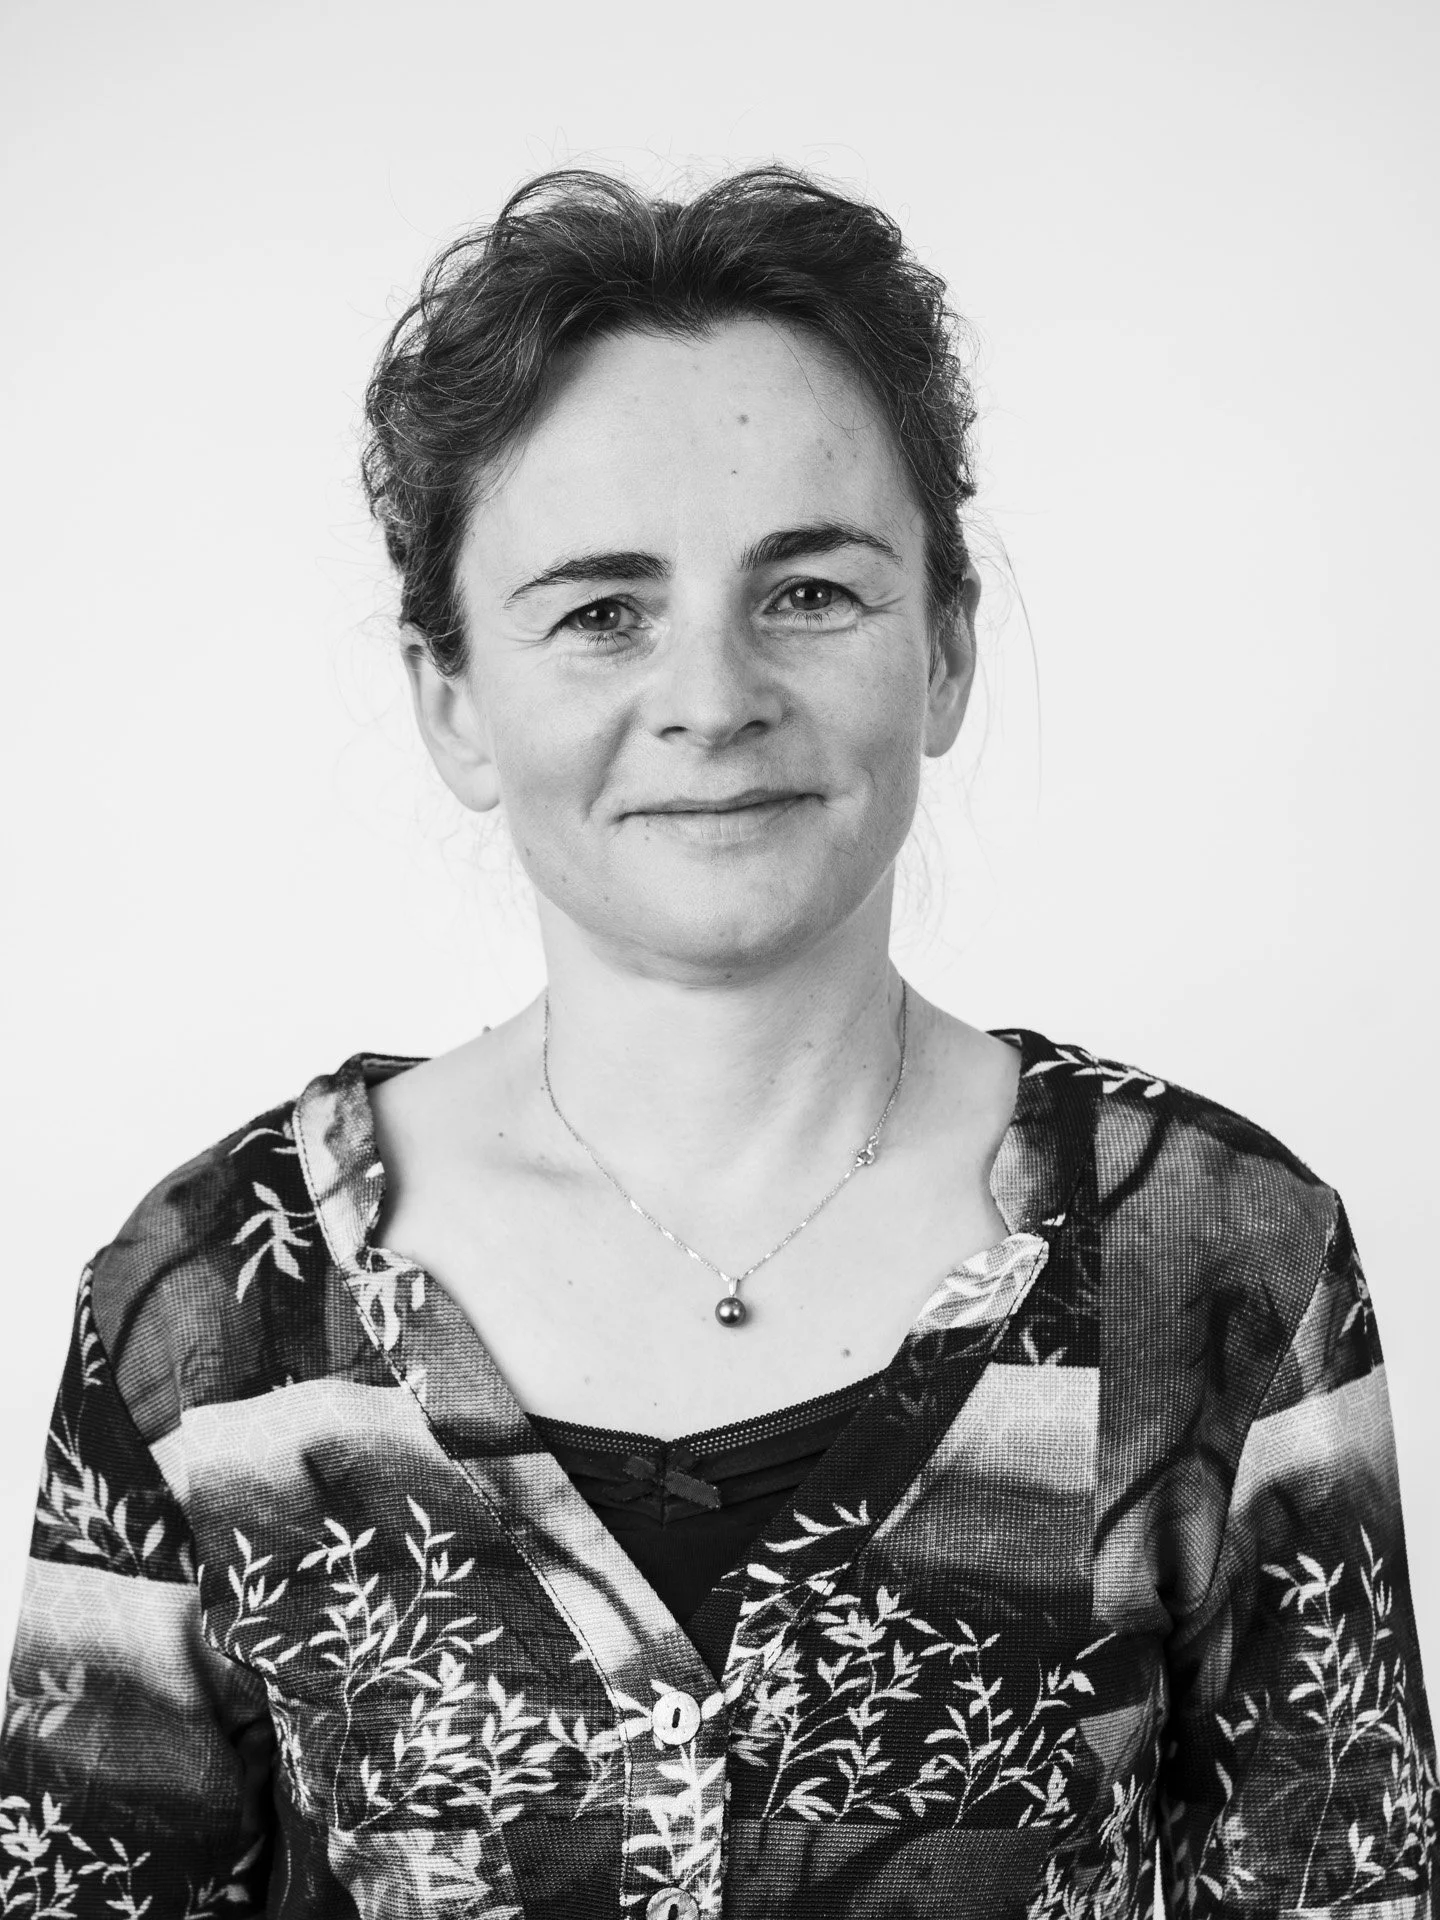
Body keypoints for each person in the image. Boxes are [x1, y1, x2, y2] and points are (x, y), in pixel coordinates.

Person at [1, 163, 1435, 1920]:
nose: (712, 692)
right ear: (452, 699)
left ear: (950, 647)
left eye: (812, 591)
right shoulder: (207, 1319)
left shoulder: (1214, 1257)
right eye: (603, 611)